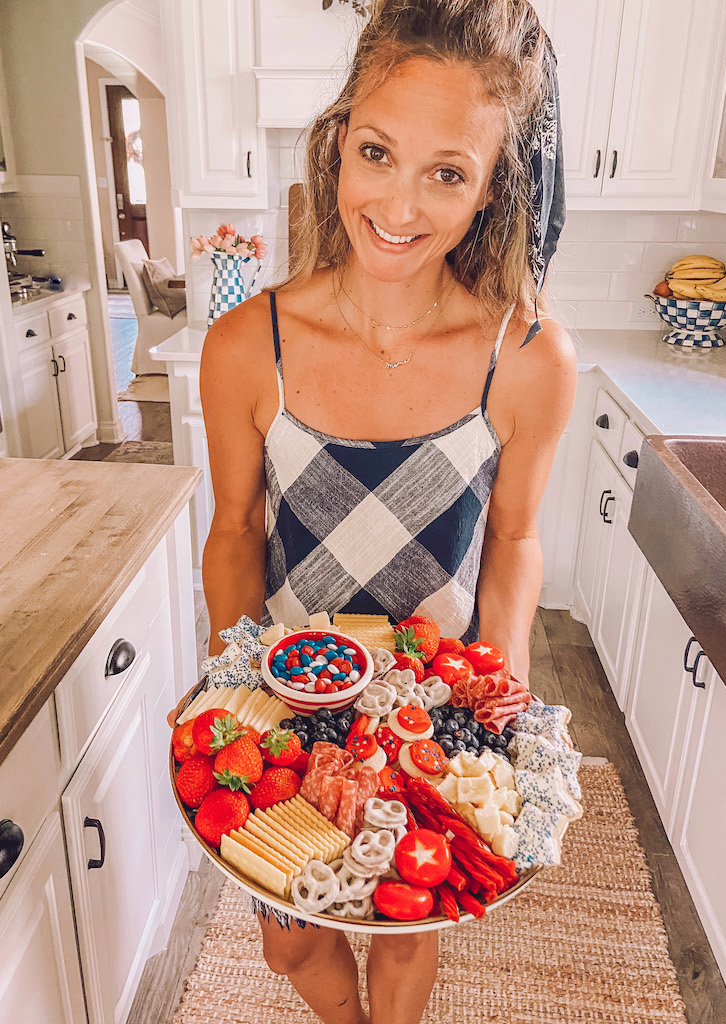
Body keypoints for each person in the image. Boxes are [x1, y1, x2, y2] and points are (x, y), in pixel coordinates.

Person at [199, 2, 576, 1021]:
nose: (397, 204)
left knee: (405, 939)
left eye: (446, 172)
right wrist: (225, 695)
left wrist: (502, 713)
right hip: (288, 701)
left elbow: (512, 541)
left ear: (491, 185)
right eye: (376, 152)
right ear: (337, 144)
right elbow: (235, 531)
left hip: (431, 717)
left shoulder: (527, 357)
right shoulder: (246, 345)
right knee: (290, 945)